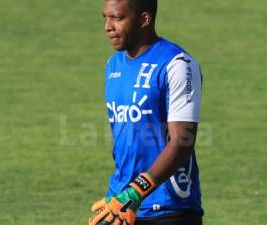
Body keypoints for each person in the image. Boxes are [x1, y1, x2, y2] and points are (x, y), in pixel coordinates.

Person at [89, 0, 204, 224]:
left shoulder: (177, 64)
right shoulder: (113, 66)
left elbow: (182, 142)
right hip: (123, 205)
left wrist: (136, 191)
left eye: (117, 18)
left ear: (144, 20)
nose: (108, 26)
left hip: (169, 209)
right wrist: (119, 192)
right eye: (106, 18)